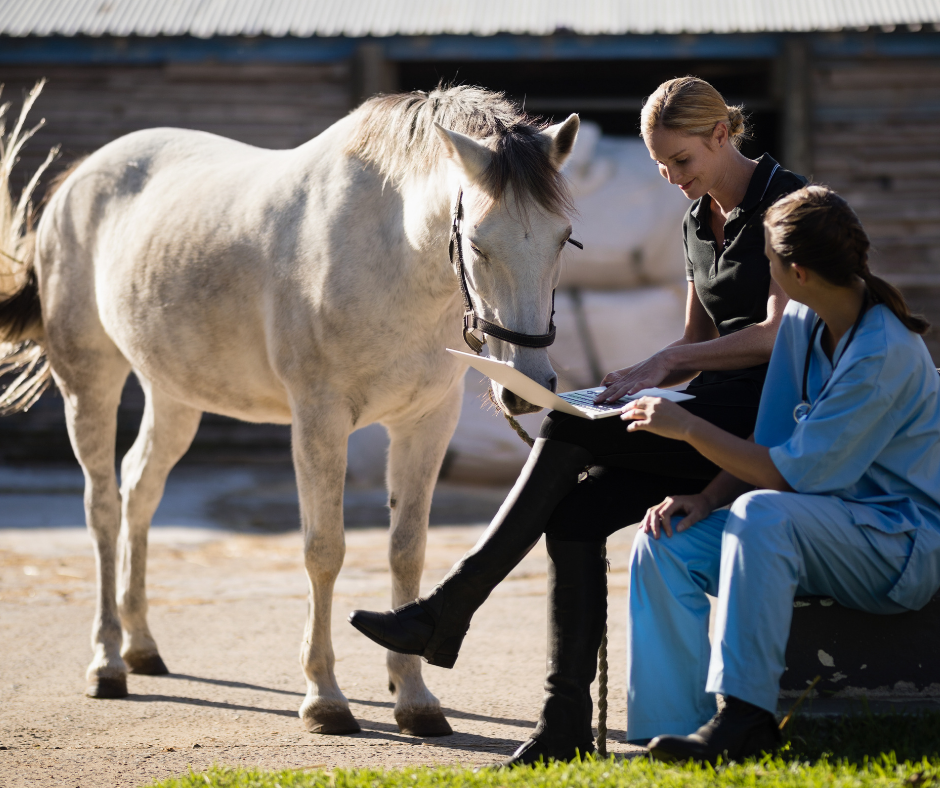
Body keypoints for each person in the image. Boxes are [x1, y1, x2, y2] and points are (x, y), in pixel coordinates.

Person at [349, 76, 806, 765]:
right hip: (707, 409)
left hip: (765, 423)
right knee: (574, 515)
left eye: (681, 161)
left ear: (722, 134)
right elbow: (692, 344)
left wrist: (665, 361)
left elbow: (778, 333)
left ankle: (451, 606)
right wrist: (630, 383)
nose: (671, 178)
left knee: (563, 432)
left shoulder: (784, 202)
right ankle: (562, 726)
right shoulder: (692, 221)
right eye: (659, 166)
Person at [622, 184, 940, 763]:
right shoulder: (802, 318)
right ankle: (669, 731)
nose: (768, 274)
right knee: (665, 543)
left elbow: (788, 480)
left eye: (769, 264)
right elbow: (768, 441)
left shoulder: (882, 354)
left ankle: (744, 720)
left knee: (762, 512)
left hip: (896, 545)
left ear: (797, 271)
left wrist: (687, 427)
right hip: (814, 529)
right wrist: (706, 497)